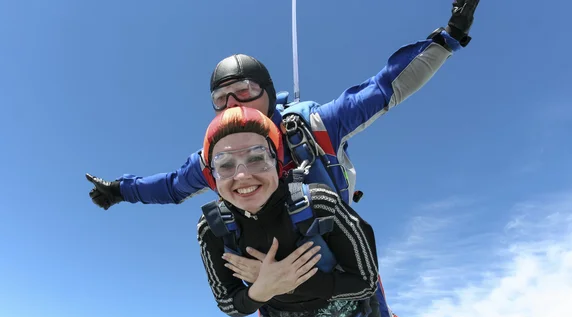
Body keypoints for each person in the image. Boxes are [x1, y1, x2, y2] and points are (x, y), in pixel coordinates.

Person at [86, 0, 481, 208]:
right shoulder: (216, 158)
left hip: (335, 237)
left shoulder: (315, 125)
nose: (233, 105)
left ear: (268, 92)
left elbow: (383, 88)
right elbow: (172, 186)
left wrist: (449, 37)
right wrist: (121, 190)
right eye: (220, 100)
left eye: (243, 91)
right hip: (274, 261)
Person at [197, 106, 382, 317]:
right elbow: (227, 302)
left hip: (346, 310)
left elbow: (368, 282)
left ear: (276, 162)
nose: (243, 176)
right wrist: (261, 291)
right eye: (225, 164)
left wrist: (282, 284)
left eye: (257, 158)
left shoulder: (318, 202)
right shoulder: (213, 229)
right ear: (213, 175)